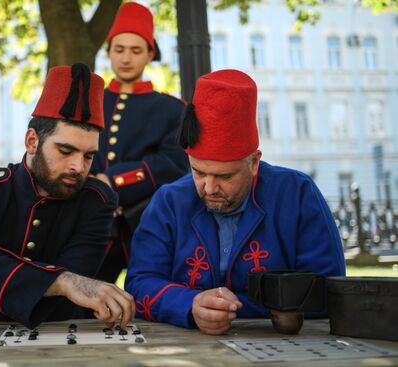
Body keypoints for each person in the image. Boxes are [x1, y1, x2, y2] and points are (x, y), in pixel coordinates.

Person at [124, 69, 346, 335]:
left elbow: (328, 290)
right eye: (198, 172)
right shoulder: (169, 201)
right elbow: (139, 283)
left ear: (254, 162)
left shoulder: (297, 193)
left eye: (224, 175)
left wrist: (231, 309)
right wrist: (190, 304)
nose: (209, 187)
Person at [0, 63, 135, 329]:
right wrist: (63, 282)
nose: (78, 166)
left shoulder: (96, 201)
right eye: (65, 150)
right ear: (32, 141)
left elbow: (62, 307)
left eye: (88, 156)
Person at [92, 2, 188, 283]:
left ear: (150, 54)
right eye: (118, 49)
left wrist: (113, 181)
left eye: (135, 50)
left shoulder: (171, 109)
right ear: (108, 52)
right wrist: (96, 190)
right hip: (94, 220)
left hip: (146, 221)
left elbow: (174, 164)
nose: (125, 58)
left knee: (151, 296)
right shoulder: (91, 101)